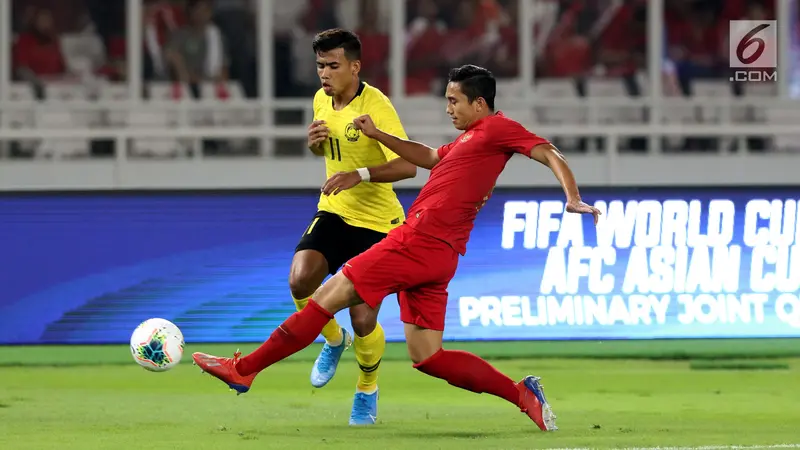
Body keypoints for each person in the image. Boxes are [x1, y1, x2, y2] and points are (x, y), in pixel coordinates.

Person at [193, 64, 602, 431]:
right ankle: (522, 394)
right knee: (429, 356)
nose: (448, 109)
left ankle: (244, 370)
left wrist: (572, 196)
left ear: (480, 103)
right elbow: (428, 157)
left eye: (454, 100)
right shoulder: (468, 141)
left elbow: (548, 151)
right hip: (440, 256)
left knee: (323, 298)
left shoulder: (497, 128)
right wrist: (377, 135)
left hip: (417, 240)